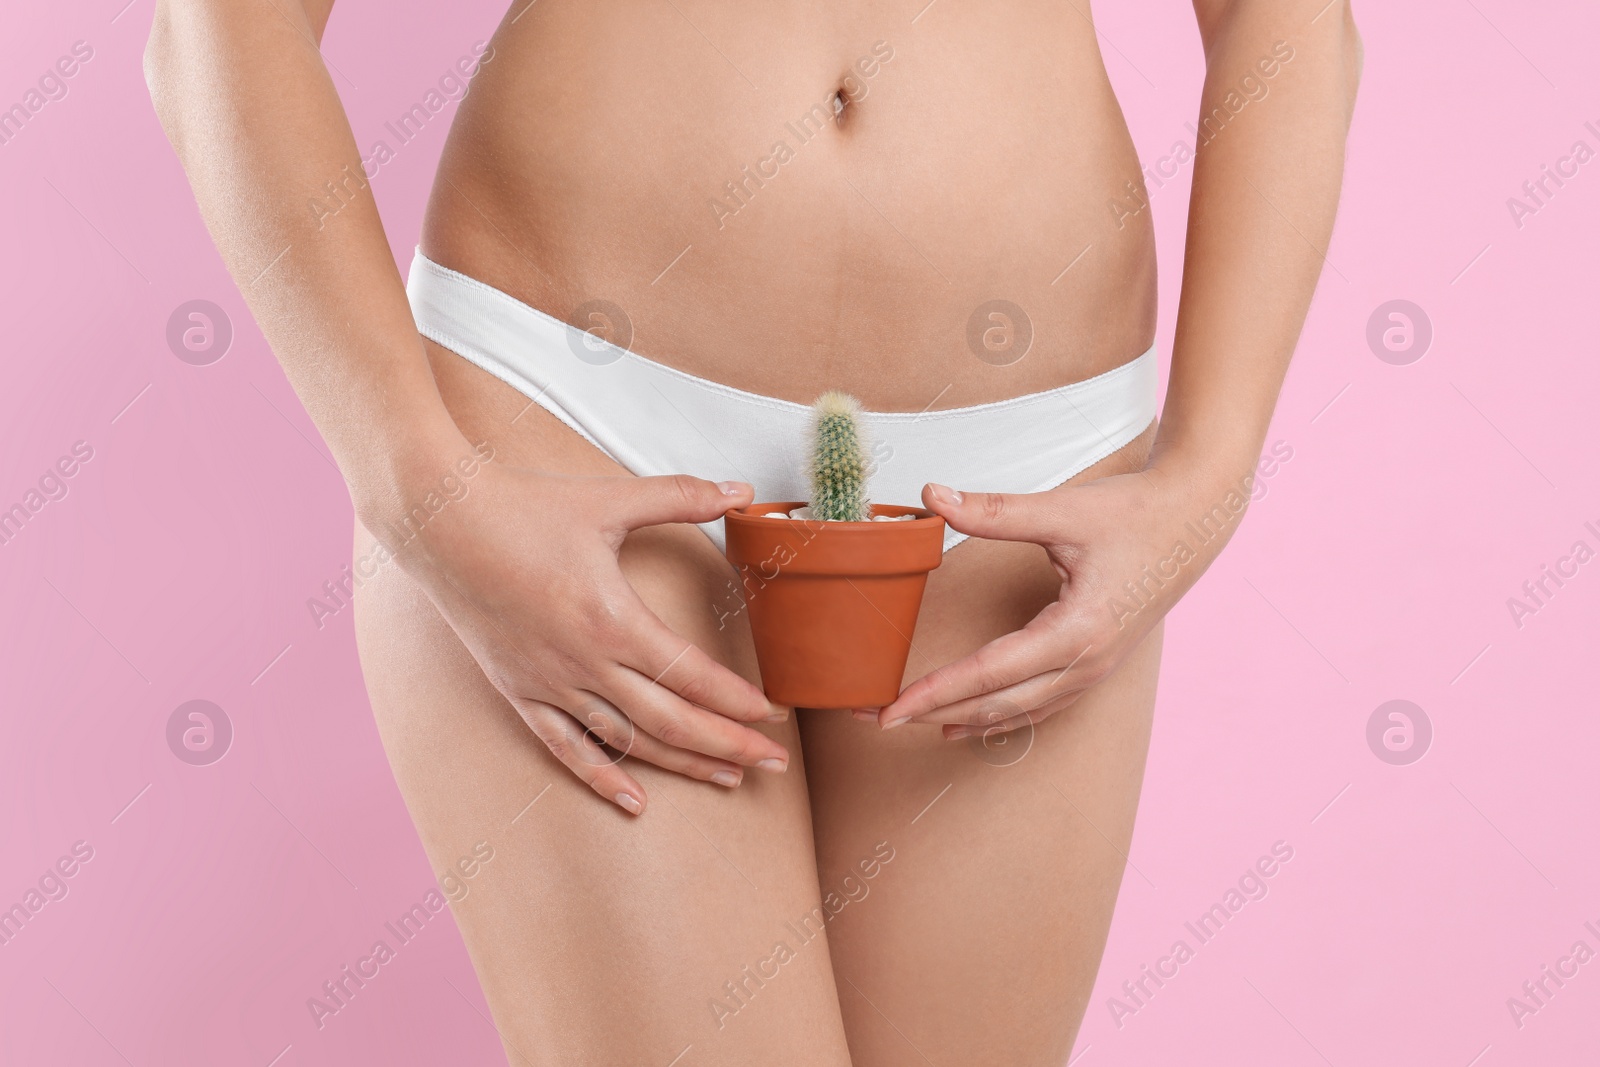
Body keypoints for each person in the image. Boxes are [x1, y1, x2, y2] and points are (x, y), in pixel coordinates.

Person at [146, 0, 1361, 1062]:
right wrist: (421, 489)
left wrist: (1207, 472)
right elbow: (215, 20)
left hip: (1024, 493)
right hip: (574, 432)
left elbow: (1290, 18)